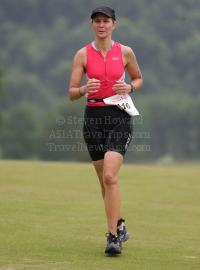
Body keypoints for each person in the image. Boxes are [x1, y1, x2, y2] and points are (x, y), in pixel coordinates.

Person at [69, 6, 143, 254]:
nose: (101, 25)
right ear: (92, 25)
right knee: (103, 180)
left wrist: (129, 88)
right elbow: (71, 92)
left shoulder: (125, 52)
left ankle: (113, 238)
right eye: (97, 21)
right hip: (93, 118)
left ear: (114, 24)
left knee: (110, 176)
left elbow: (138, 79)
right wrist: (83, 90)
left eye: (106, 21)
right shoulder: (82, 55)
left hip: (119, 116)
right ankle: (120, 224)